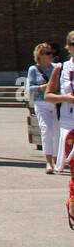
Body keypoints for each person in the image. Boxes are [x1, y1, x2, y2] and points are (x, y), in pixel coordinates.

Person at [45, 31, 74, 226]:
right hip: (70, 123)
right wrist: (65, 98)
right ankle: (72, 205)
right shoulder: (61, 68)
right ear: (68, 46)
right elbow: (48, 95)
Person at [29, 42, 58, 173]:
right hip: (41, 103)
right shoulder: (33, 70)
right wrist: (42, 87)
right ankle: (49, 162)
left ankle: (58, 160)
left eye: (50, 52)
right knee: (46, 130)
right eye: (46, 53)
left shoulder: (56, 68)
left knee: (57, 132)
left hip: (56, 102)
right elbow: (29, 88)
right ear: (39, 56)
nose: (50, 55)